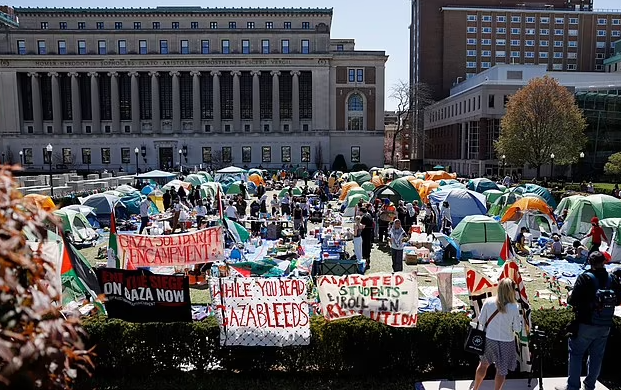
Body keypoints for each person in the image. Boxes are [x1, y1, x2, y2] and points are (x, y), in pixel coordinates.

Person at [557, 252, 621, 390]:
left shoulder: (585, 278)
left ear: (590, 263)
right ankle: (590, 385)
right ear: (604, 262)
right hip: (605, 324)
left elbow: (573, 301)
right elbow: (618, 301)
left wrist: (569, 295)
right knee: (597, 356)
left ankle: (573, 387)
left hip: (585, 323)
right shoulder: (612, 278)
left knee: (576, 354)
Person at [472, 278, 523, 390]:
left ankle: (475, 388)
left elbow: (481, 321)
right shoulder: (514, 307)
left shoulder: (488, 302)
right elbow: (517, 329)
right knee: (501, 370)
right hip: (507, 341)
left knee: (483, 365)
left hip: (490, 339)